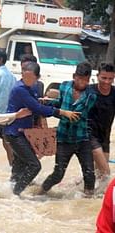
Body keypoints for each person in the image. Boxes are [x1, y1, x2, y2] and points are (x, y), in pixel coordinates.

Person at [4, 62, 81, 195]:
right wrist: (62, 112)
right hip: (14, 133)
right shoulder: (20, 89)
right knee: (35, 165)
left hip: (22, 133)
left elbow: (37, 106)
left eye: (30, 77)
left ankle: (8, 194)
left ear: (37, 77)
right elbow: (37, 108)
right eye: (24, 76)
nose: (26, 79)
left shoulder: (31, 88)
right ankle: (17, 193)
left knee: (19, 165)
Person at [39, 62, 97, 196]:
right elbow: (60, 103)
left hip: (82, 138)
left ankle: (87, 200)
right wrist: (47, 102)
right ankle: (40, 192)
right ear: (74, 76)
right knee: (58, 173)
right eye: (79, 79)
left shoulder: (91, 96)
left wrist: (54, 111)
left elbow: (74, 116)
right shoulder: (64, 86)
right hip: (63, 137)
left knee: (89, 173)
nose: (82, 83)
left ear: (89, 80)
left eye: (85, 80)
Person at [88, 63, 115, 188]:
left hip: (105, 138)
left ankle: (84, 193)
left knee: (99, 174)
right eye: (104, 78)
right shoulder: (88, 91)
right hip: (89, 135)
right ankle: (107, 201)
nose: (107, 82)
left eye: (110, 79)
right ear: (97, 76)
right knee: (106, 173)